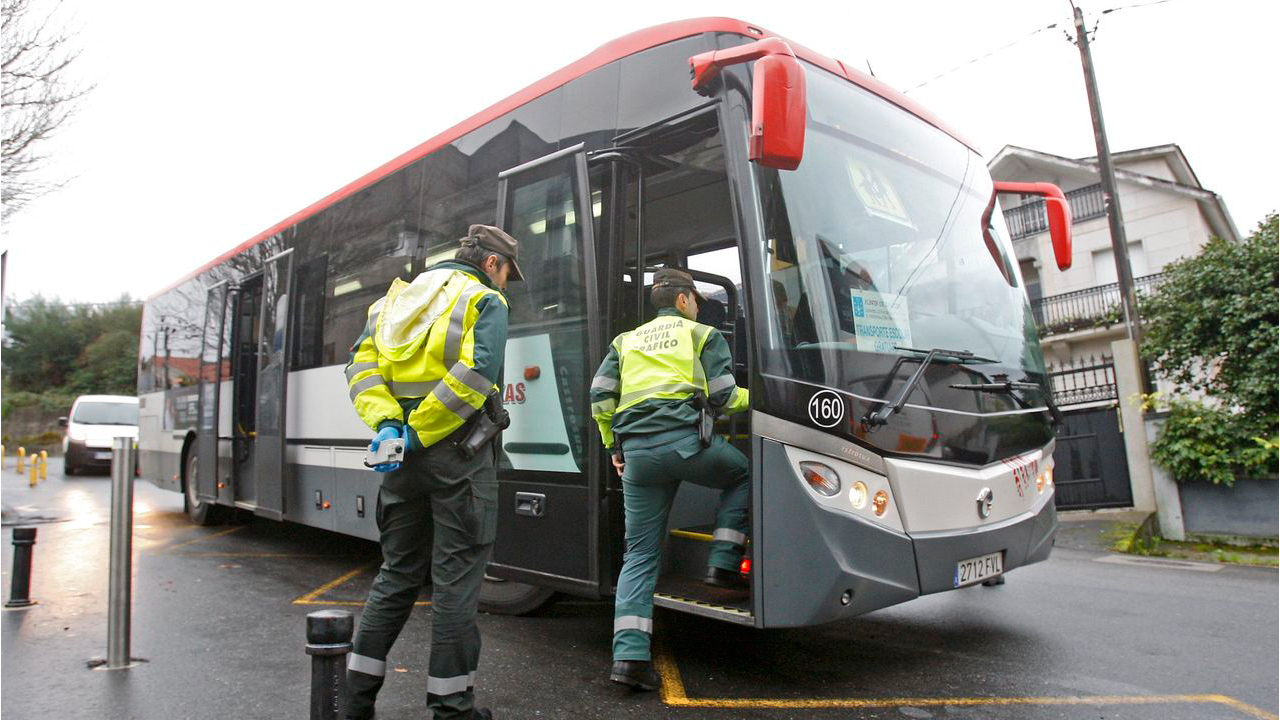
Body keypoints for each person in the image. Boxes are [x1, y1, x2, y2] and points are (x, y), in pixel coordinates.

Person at [343, 224, 522, 720]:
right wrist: (420, 434)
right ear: (491, 262)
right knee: (455, 584)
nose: (505, 282)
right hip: (457, 457)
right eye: (507, 272)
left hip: (399, 459)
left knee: (396, 574)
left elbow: (359, 369)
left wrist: (389, 426)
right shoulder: (484, 299)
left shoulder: (391, 303)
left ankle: (352, 701)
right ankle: (452, 708)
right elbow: (474, 377)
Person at [589, 268, 751, 691]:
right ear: (683, 300)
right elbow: (725, 396)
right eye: (695, 299)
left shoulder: (625, 341)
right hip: (687, 446)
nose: (697, 307)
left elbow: (600, 397)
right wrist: (764, 397)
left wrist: (613, 447)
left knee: (639, 556)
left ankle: (629, 661)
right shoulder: (702, 334)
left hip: (638, 459)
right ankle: (723, 565)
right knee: (743, 474)